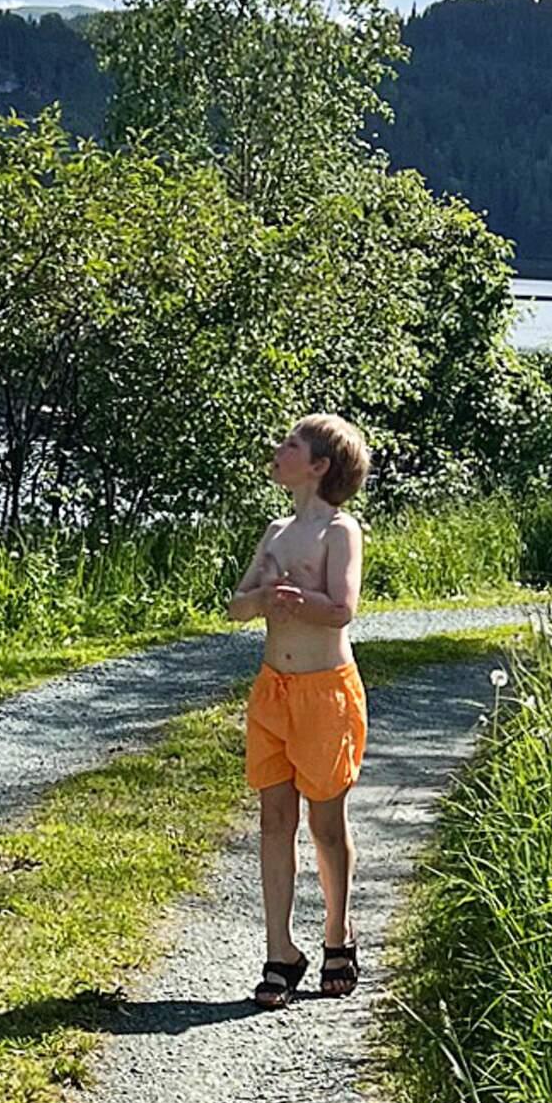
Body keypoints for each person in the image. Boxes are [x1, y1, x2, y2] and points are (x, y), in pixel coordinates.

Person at [226, 413, 370, 1010]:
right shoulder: (276, 531)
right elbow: (237, 607)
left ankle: (338, 934)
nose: (278, 449)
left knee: (325, 824)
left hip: (325, 693)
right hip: (273, 691)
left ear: (318, 466)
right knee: (273, 821)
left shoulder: (340, 530)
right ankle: (279, 950)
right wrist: (263, 597)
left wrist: (296, 598)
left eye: (291, 444)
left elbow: (341, 610)